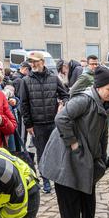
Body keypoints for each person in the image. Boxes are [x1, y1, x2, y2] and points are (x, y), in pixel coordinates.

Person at [40, 66, 109, 218]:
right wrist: (73, 143)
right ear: (98, 87)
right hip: (65, 153)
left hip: (86, 153)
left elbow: (103, 132)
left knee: (88, 189)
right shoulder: (83, 100)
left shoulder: (105, 104)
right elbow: (61, 118)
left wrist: (102, 156)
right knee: (69, 192)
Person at [19, 51, 70, 193]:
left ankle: (58, 178)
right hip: (37, 124)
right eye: (31, 62)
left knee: (56, 151)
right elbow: (24, 104)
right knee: (41, 153)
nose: (33, 64)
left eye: (36, 61)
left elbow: (65, 95)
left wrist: (63, 103)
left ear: (42, 62)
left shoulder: (53, 79)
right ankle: (46, 180)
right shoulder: (26, 81)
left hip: (53, 122)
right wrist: (28, 124)